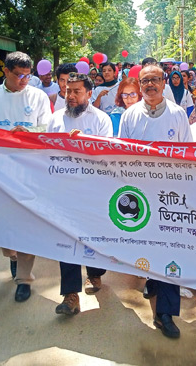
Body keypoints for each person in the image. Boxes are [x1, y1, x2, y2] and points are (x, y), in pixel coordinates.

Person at [118, 64, 192, 339]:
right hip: (141, 195)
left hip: (171, 194)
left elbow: (189, 155)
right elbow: (121, 155)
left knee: (171, 247)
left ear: (164, 83)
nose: (150, 85)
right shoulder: (129, 116)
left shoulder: (178, 115)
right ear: (139, 85)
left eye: (155, 80)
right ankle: (152, 279)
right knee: (148, 245)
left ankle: (166, 314)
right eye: (145, 80)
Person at [0, 51, 52, 302]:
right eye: (19, 75)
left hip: (28, 169)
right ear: (6, 72)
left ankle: (24, 278)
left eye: (27, 75)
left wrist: (28, 130)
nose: (24, 80)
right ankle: (12, 255)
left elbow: (48, 128)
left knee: (25, 223)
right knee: (3, 222)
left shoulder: (38, 96)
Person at [46, 73, 112, 315]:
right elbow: (46, 151)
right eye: (67, 91)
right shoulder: (56, 119)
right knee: (67, 241)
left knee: (94, 237)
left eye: (76, 91)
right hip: (64, 191)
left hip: (93, 190)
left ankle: (95, 274)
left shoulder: (101, 120)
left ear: (89, 94)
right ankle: (70, 294)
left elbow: (106, 154)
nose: (70, 96)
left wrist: (84, 143)